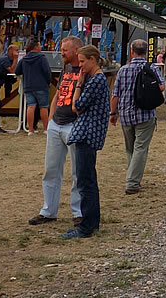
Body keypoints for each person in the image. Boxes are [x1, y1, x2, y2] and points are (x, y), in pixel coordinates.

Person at [29, 37, 84, 227]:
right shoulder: (66, 68)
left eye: (65, 50)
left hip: (74, 124)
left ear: (76, 50)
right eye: (61, 49)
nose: (62, 53)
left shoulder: (85, 71)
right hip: (57, 123)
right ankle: (48, 210)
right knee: (51, 169)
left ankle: (78, 211)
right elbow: (59, 93)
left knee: (77, 171)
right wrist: (51, 120)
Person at [65, 45, 111, 238]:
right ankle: (91, 222)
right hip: (90, 134)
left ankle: (86, 226)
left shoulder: (95, 80)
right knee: (87, 179)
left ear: (93, 59)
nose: (80, 65)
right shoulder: (99, 79)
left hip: (87, 134)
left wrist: (78, 85)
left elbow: (77, 106)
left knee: (85, 181)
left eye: (83, 61)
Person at [112, 40, 163, 195]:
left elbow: (116, 94)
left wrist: (112, 113)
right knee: (140, 148)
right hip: (145, 113)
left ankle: (132, 177)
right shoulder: (152, 67)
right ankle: (132, 182)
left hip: (126, 115)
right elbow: (161, 86)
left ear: (131, 51)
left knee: (130, 148)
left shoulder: (123, 70)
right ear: (146, 51)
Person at [17, 38, 53, 133]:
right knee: (44, 107)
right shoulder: (42, 58)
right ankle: (46, 129)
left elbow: (17, 71)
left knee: (30, 106)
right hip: (41, 86)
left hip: (28, 86)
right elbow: (47, 72)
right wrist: (48, 81)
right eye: (39, 44)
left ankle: (31, 130)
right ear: (36, 46)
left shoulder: (24, 58)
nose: (41, 46)